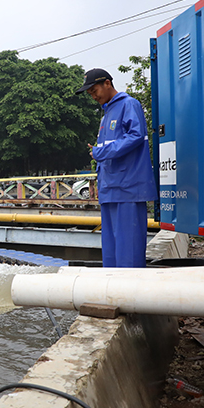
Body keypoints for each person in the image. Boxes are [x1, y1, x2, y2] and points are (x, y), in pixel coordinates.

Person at [75, 68, 157, 268]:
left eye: (94, 91)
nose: (93, 96)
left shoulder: (129, 104)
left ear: (107, 83)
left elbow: (136, 136)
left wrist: (100, 152)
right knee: (111, 255)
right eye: (90, 94)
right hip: (110, 190)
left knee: (128, 253)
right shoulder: (106, 115)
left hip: (127, 189)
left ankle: (131, 295)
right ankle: (112, 294)